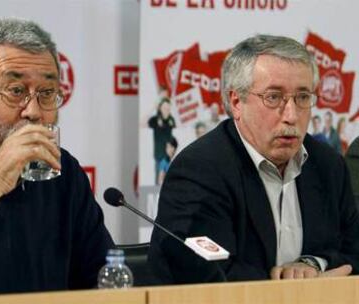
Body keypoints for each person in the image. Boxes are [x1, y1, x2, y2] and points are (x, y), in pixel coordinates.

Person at [149, 34, 359, 284]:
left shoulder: (327, 165)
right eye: (273, 97)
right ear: (236, 102)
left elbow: (353, 250)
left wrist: (313, 265)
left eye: (302, 97)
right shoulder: (200, 170)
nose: (291, 115)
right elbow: (208, 272)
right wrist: (295, 291)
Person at [0, 18, 114, 296]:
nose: (34, 112)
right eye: (16, 91)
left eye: (47, 93)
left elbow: (102, 276)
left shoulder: (65, 171)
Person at [148, 97, 176, 184]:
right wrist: (153, 108)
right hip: (159, 155)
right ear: (160, 108)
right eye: (164, 108)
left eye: (168, 108)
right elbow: (143, 123)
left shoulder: (171, 120)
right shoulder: (155, 119)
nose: (166, 110)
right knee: (158, 181)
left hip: (169, 156)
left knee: (169, 180)